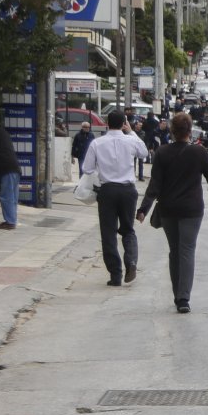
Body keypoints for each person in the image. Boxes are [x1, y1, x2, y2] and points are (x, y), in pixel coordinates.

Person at [137, 112, 208, 314]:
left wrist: (143, 209)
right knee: (187, 251)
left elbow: (154, 185)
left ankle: (177, 294)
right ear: (190, 131)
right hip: (192, 210)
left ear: (172, 132)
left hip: (169, 209)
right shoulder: (199, 152)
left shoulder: (162, 153)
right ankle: (184, 298)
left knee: (174, 251)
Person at [79, 110, 148, 286]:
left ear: (107, 123)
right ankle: (131, 262)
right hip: (128, 190)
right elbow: (144, 153)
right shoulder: (131, 140)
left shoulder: (97, 143)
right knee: (128, 229)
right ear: (124, 123)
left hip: (107, 190)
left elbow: (87, 168)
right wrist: (131, 131)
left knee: (108, 232)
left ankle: (115, 275)